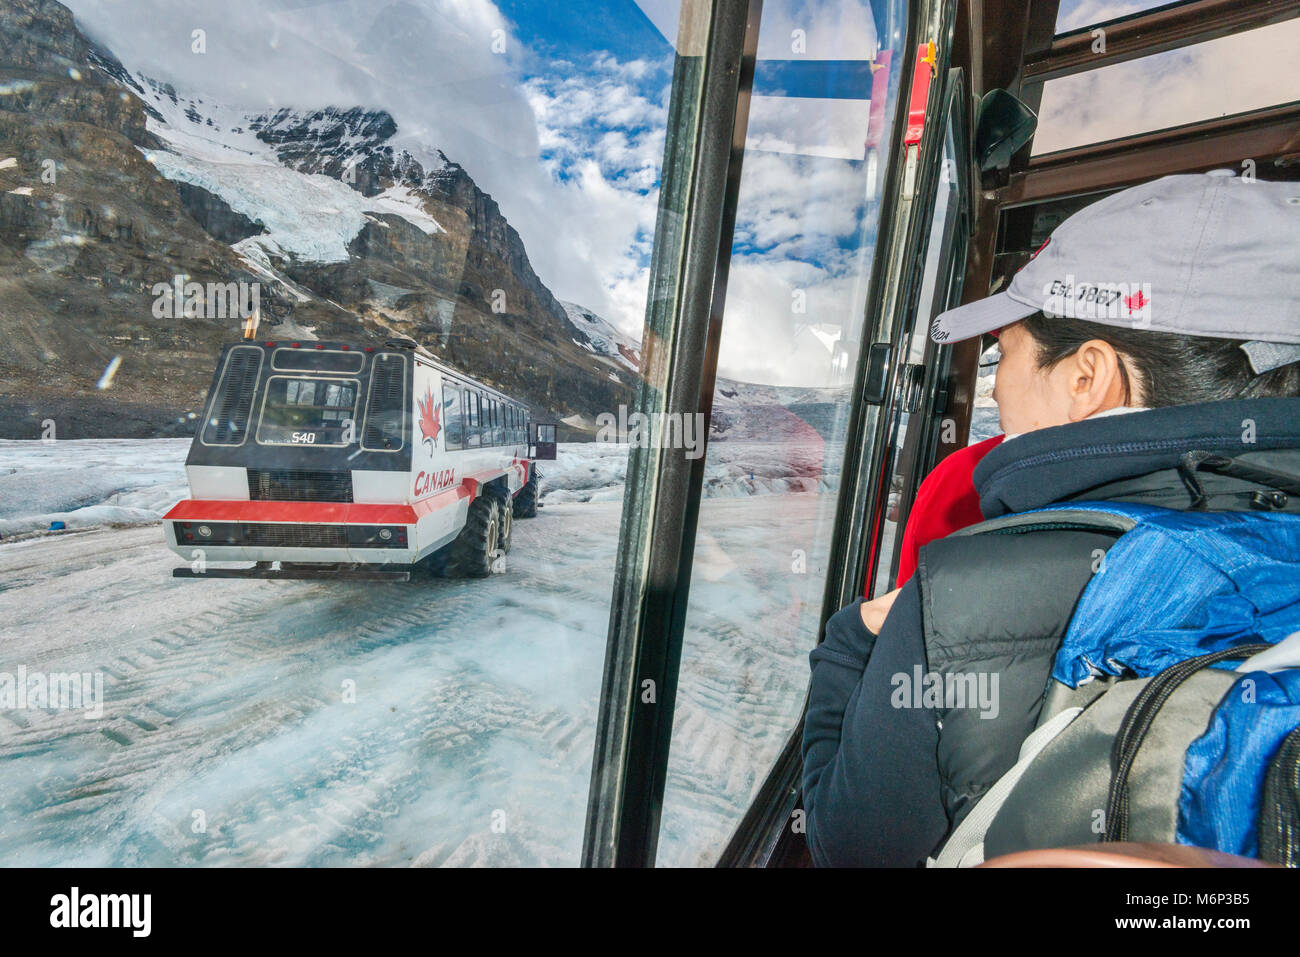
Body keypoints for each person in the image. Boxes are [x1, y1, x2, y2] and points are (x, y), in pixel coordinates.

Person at [802, 171, 1300, 867]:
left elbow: (845, 849)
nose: (998, 387)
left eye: (1007, 355)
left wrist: (848, 643)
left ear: (1087, 377)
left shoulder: (966, 597)